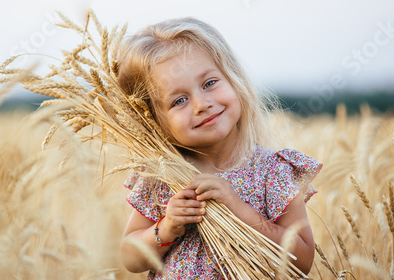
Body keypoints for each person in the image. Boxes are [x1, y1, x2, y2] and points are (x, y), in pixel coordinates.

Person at [117, 17, 322, 279]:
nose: (201, 104)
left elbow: (302, 260)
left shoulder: (272, 171)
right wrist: (166, 228)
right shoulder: (163, 177)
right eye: (179, 100)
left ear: (233, 78)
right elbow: (130, 258)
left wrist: (237, 208)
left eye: (209, 83)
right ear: (155, 120)